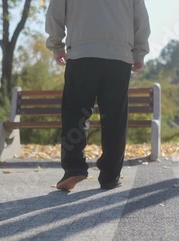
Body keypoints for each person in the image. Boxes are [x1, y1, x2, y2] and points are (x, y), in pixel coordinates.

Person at [45, 0, 151, 191]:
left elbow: (56, 11)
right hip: (118, 57)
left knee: (75, 114)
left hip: (82, 54)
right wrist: (139, 52)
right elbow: (141, 18)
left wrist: (56, 45)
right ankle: (110, 176)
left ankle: (74, 168)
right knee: (115, 119)